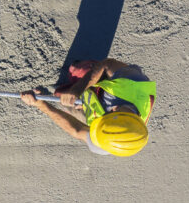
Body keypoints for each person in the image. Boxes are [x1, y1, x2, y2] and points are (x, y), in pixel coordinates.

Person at [21, 58, 155, 157]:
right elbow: (107, 64)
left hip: (95, 103)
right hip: (112, 81)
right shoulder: (134, 82)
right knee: (78, 71)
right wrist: (78, 89)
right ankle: (83, 72)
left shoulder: (108, 140)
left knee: (61, 97)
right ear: (114, 109)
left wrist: (39, 104)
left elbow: (76, 130)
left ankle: (76, 97)